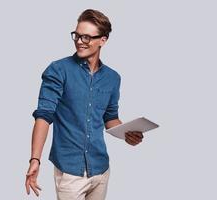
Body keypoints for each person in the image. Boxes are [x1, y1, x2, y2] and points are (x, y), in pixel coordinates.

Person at [25, 9, 144, 200]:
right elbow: (44, 115)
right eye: (77, 35)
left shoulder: (113, 78)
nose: (80, 41)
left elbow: (110, 118)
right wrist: (35, 159)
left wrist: (126, 134)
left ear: (102, 40)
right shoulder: (58, 70)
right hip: (70, 171)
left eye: (87, 37)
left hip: (100, 168)